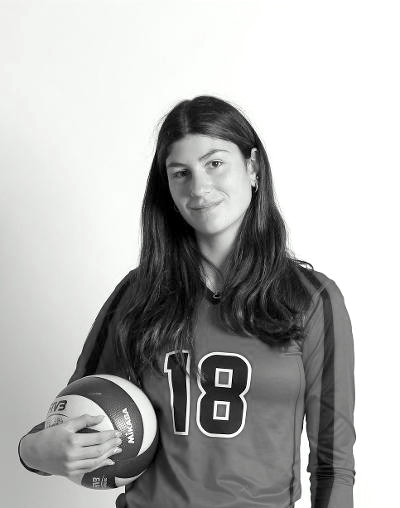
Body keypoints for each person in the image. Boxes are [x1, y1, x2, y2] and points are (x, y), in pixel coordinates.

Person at [18, 95, 356, 508]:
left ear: (252, 168)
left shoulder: (311, 299)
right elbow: (71, 413)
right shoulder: (137, 294)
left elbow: (333, 465)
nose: (198, 187)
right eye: (181, 173)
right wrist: (34, 451)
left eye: (214, 163)